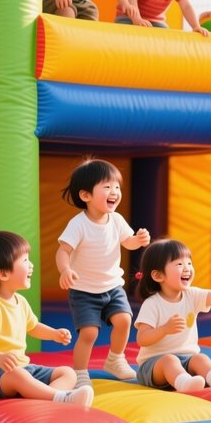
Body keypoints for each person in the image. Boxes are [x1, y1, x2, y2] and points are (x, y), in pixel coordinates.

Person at [0, 231, 93, 407]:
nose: (31, 265)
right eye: (25, 261)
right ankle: (61, 398)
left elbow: (33, 326)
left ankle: (50, 397)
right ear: (3, 274)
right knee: (18, 376)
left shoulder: (20, 301)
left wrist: (54, 334)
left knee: (68, 373)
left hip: (21, 368)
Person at [56, 158, 150, 387]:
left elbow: (127, 241)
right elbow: (63, 251)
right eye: (107, 187)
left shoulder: (116, 220)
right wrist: (65, 269)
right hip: (84, 291)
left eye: (116, 186)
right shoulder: (78, 224)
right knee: (89, 333)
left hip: (112, 286)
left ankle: (115, 360)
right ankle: (79, 372)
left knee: (125, 320)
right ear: (86, 195)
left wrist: (138, 240)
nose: (114, 191)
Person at [134, 238, 211, 391]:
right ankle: (184, 383)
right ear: (158, 276)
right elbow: (142, 339)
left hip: (186, 360)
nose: (187, 268)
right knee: (169, 360)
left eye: (189, 263)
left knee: (200, 358)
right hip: (154, 366)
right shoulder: (152, 304)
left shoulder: (192, 295)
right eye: (179, 264)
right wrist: (164, 329)